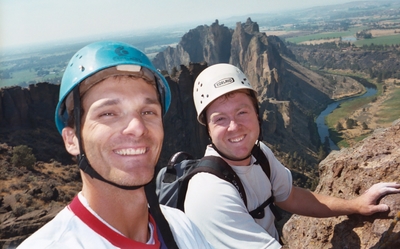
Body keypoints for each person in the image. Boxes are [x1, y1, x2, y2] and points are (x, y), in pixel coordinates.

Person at [18, 41, 212, 249]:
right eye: (108, 113)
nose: (138, 127)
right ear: (72, 139)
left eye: (148, 112)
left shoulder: (182, 228)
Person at [185, 63, 400, 249]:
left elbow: (290, 197)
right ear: (208, 129)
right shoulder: (209, 193)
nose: (234, 126)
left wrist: (356, 205)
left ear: (257, 114)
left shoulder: (259, 153)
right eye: (220, 119)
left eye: (242, 112)